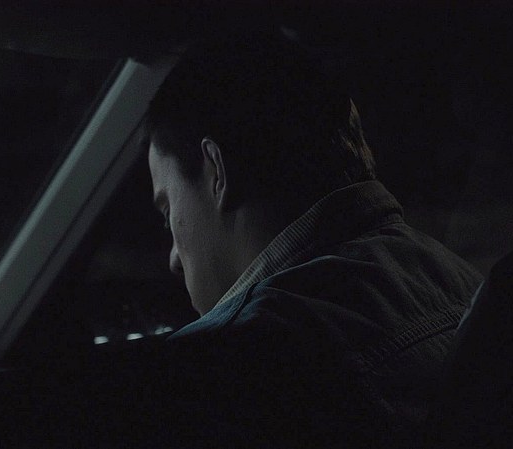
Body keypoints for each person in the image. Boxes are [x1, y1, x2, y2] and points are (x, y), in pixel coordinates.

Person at [137, 35, 483, 448]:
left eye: (168, 211)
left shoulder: (219, 371)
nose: (174, 258)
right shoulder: (461, 280)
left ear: (217, 173)